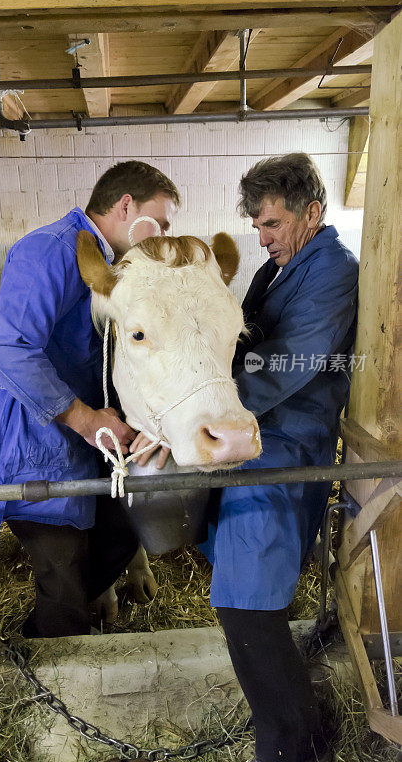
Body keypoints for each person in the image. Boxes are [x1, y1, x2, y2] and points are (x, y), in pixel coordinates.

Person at [0, 160, 180, 638]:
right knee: (63, 581)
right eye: (161, 223)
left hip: (72, 444)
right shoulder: (50, 251)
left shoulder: (107, 265)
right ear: (126, 206)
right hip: (28, 447)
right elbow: (9, 349)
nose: (164, 236)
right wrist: (87, 420)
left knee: (123, 531)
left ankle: (43, 636)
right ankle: (54, 689)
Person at [202, 153, 359, 762]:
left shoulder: (333, 271)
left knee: (247, 606)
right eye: (256, 225)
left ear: (311, 213)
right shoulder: (282, 266)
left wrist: (207, 408)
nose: (260, 237)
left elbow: (293, 357)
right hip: (255, 441)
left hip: (285, 448)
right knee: (240, 598)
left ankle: (291, 741)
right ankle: (294, 727)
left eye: (270, 224)